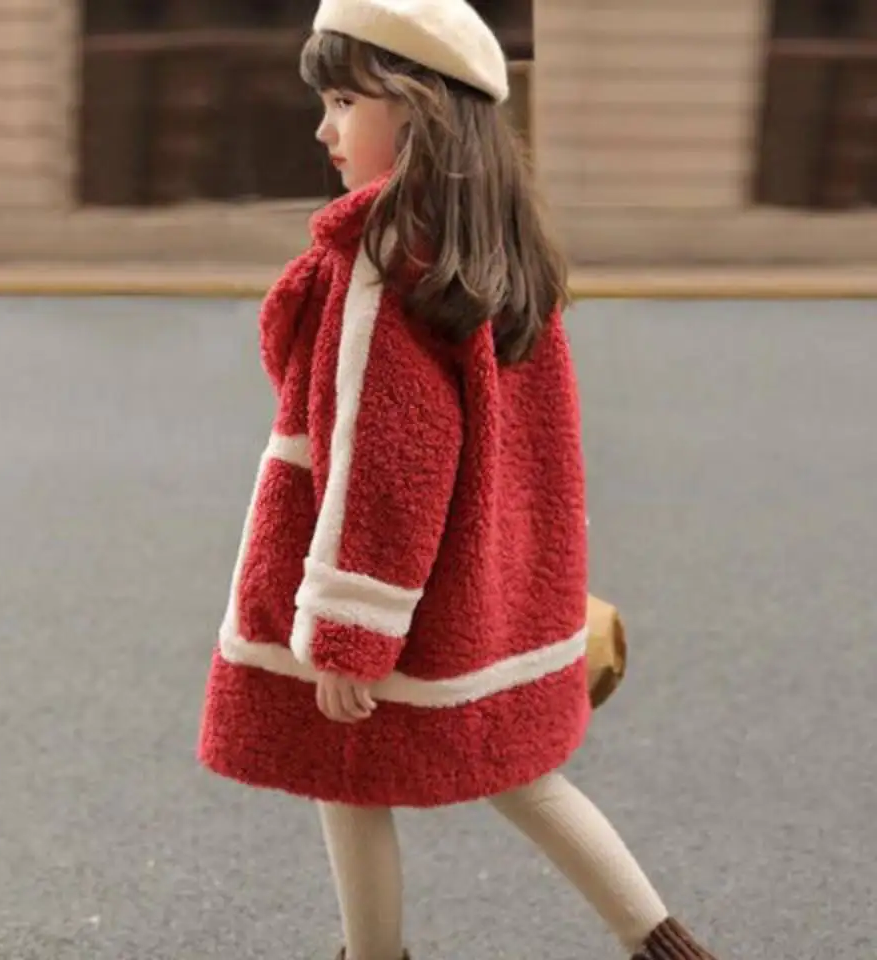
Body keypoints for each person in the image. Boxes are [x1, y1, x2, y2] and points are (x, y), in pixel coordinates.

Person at [198, 1, 719, 958]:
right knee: (520, 774)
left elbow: (385, 468)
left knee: (344, 771)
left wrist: (349, 633)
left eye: (344, 101)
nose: (323, 128)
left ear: (416, 110)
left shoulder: (383, 267)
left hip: (400, 601)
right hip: (478, 582)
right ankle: (666, 945)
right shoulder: (489, 252)